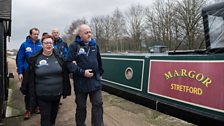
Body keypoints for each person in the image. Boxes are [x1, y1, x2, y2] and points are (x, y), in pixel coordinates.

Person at [22, 34, 71, 126]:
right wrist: (25, 88)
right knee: (45, 118)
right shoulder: (35, 59)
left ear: (53, 44)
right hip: (42, 95)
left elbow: (66, 72)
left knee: (53, 118)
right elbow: (28, 77)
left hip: (57, 95)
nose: (49, 45)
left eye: (50, 43)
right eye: (46, 43)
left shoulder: (59, 58)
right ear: (42, 44)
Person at [67, 24, 104, 126]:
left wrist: (100, 73)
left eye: (90, 32)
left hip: (94, 81)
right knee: (81, 106)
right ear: (80, 34)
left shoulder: (94, 45)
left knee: (98, 104)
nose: (89, 34)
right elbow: (69, 64)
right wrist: (82, 72)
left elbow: (99, 61)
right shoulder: (74, 46)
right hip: (80, 82)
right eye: (86, 32)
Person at [16, 27, 42, 120]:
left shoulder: (41, 45)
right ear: (30, 34)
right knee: (29, 91)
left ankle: (37, 107)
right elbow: (19, 59)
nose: (36, 36)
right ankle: (28, 110)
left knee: (38, 90)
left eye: (37, 34)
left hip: (38, 71)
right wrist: (20, 72)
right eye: (34, 34)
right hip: (27, 72)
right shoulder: (24, 45)